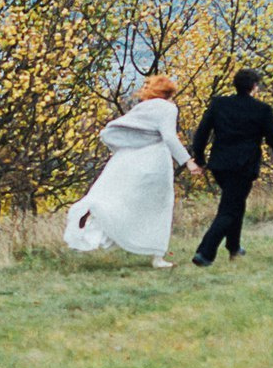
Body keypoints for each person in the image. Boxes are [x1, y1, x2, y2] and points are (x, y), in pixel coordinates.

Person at [65, 73, 196, 268]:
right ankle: (157, 256)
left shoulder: (141, 108)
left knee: (122, 199)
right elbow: (168, 137)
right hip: (155, 161)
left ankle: (95, 225)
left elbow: (119, 132)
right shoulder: (168, 108)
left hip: (130, 159)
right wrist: (188, 161)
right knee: (159, 206)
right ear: (169, 93)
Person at [187, 68, 273, 266]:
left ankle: (234, 248)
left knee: (235, 203)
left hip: (220, 164)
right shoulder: (262, 109)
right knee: (229, 210)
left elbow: (202, 132)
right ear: (254, 86)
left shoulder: (219, 104)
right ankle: (205, 253)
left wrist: (200, 158)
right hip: (244, 166)